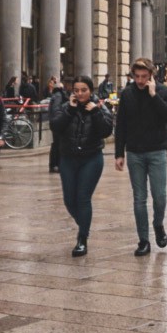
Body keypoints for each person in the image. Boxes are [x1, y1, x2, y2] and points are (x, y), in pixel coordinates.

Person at [114, 58, 167, 257]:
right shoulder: (127, 94)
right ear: (132, 75)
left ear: (151, 75)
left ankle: (158, 224)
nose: (140, 81)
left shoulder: (163, 91)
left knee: (160, 196)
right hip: (135, 152)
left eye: (144, 77)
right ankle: (143, 240)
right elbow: (121, 124)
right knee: (139, 198)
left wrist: (154, 96)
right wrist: (119, 153)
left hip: (157, 150)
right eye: (137, 76)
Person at [51, 76, 113, 257]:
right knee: (69, 200)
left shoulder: (100, 107)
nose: (79, 94)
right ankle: (84, 224)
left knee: (83, 198)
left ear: (90, 91)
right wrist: (69, 110)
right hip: (68, 158)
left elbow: (106, 130)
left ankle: (82, 239)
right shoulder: (65, 107)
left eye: (83, 90)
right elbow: (55, 125)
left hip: (91, 158)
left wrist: (95, 112)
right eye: (76, 90)